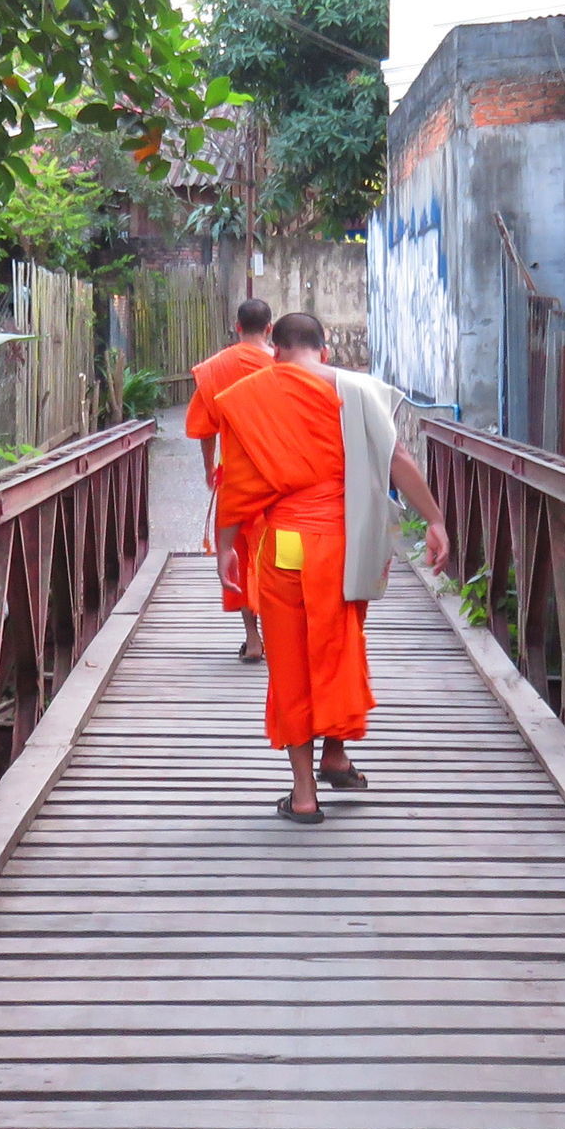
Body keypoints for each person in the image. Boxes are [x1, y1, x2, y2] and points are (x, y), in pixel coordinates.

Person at [215, 311, 450, 824]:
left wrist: (225, 547)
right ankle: (336, 754)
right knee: (338, 644)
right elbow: (398, 458)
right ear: (324, 349)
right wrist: (433, 520)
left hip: (284, 548)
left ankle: (304, 794)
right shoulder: (355, 389)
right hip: (342, 547)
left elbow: (233, 483)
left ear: (274, 348)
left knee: (290, 663)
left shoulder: (252, 396)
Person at [186, 297, 274, 662]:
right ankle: (281, 631)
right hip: (280, 476)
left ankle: (253, 639)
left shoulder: (216, 368)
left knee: (238, 554)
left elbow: (203, 427)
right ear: (269, 328)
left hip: (237, 475)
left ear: (237, 327)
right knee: (274, 552)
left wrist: (210, 468)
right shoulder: (282, 365)